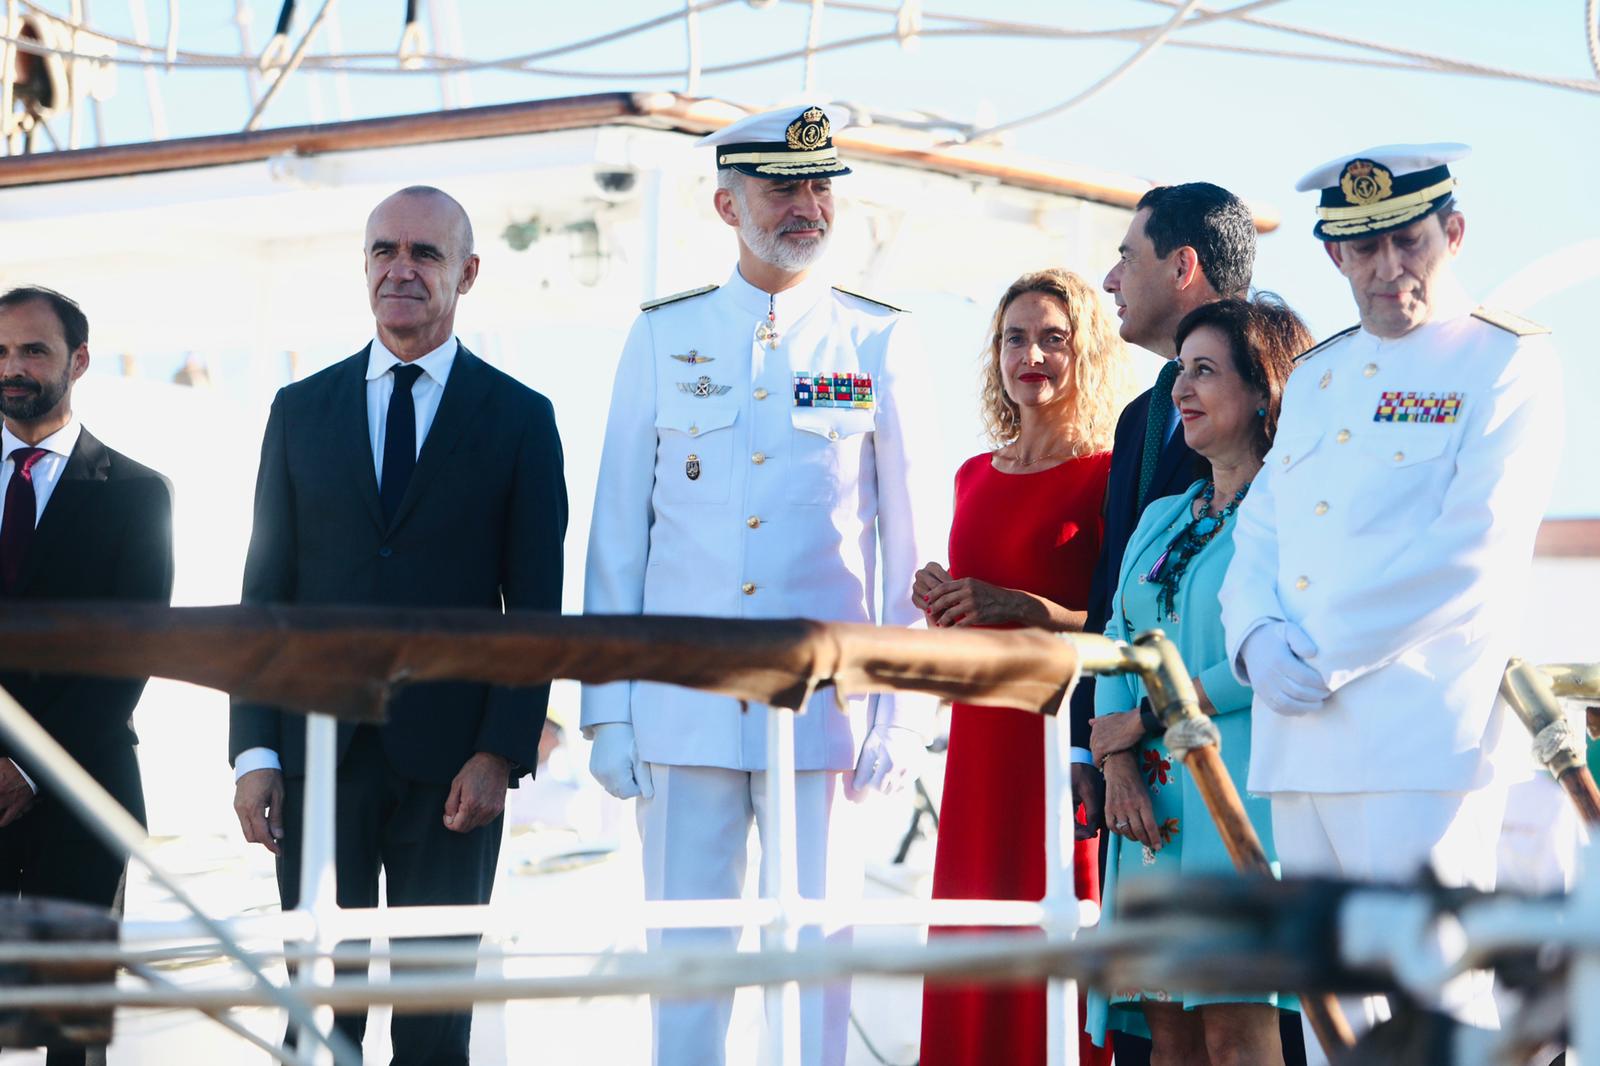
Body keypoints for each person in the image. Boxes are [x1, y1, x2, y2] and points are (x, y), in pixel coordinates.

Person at [581, 104, 945, 1066]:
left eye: (821, 185)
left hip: (826, 714)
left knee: (814, 973)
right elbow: (619, 531)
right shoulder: (664, 338)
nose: (807, 205)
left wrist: (900, 717)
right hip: (681, 705)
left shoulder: (875, 342)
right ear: (725, 201)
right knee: (685, 974)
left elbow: (911, 547)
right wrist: (607, 711)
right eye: (783, 185)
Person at [1221, 144, 1564, 1061]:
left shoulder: (1506, 362)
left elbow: (1469, 552)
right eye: (1362, 250)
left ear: (1452, 235)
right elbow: (1260, 526)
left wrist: (1320, 654)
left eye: (1408, 242)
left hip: (1420, 738)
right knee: (1337, 1016)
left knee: (1435, 1002)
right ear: (1335, 257)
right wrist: (1253, 639)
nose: (1387, 269)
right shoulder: (1324, 374)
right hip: (1301, 741)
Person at [228, 186, 567, 1065]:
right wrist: (255, 753)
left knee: (432, 1016)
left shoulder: (522, 420)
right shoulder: (299, 412)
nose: (401, 269)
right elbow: (265, 596)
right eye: (384, 251)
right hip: (314, 759)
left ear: (468, 272)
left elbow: (534, 609)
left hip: (455, 770)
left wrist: (502, 752)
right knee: (315, 1011)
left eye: (425, 253)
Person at [1087, 182, 1299, 1066]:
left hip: (1237, 796)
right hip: (1150, 808)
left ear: (1261, 393)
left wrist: (1140, 723)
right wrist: (1116, 755)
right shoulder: (1165, 516)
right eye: (1181, 370)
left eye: (1204, 371)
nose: (1181, 388)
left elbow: (1269, 659)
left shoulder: (1289, 517)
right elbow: (1119, 636)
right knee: (1162, 1025)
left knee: (1235, 1029)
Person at [913, 268, 1130, 1066]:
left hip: (1055, 745)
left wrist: (1023, 607)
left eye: (1052, 339)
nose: (1030, 354)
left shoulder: (1109, 475)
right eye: (1015, 338)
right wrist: (943, 598)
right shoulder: (973, 474)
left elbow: (1112, 625)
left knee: (1052, 934)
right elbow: (975, 618)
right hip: (975, 744)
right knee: (972, 938)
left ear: (1086, 353)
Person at [0, 286, 175, 1066]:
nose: (13, 367)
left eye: (33, 350)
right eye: (1, 352)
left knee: (70, 1035)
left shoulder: (138, 495)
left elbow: (126, 654)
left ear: (78, 361)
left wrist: (27, 770)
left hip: (83, 795)